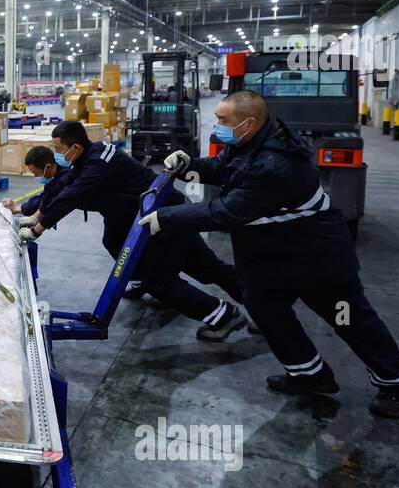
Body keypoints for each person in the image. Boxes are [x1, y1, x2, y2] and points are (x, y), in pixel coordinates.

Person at [138, 90, 399, 417]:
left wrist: (166, 220)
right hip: (274, 253)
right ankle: (309, 374)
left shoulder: (276, 163)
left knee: (349, 317)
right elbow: (224, 167)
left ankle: (396, 384)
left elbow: (227, 211)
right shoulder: (250, 142)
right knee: (264, 308)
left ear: (249, 123)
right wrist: (189, 165)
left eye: (223, 121)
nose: (218, 126)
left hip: (316, 256)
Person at [22, 120, 248, 342]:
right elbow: (62, 188)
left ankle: (225, 315)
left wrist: (37, 230)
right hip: (143, 216)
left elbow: (72, 196)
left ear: (75, 147)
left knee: (169, 278)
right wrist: (36, 215)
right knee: (113, 239)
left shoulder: (98, 164)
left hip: (164, 216)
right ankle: (261, 306)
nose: (56, 153)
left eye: (58, 149)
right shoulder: (87, 157)